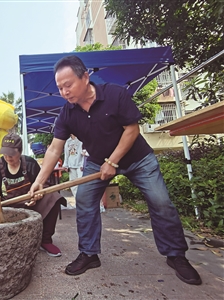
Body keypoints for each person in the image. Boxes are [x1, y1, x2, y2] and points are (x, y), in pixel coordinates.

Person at [29, 55, 201, 285]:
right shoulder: (67, 113)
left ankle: (176, 255)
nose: (64, 92)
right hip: (97, 161)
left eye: (68, 85)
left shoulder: (115, 94)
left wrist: (113, 162)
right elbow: (53, 150)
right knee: (85, 201)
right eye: (60, 88)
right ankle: (89, 254)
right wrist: (40, 181)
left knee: (160, 202)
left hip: (138, 159)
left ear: (85, 77)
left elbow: (132, 129)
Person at [0, 133, 67, 257]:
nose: (8, 157)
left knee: (54, 197)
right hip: (7, 207)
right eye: (5, 153)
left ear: (20, 152)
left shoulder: (30, 163)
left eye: (12, 153)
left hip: (30, 204)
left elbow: (44, 185)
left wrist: (38, 195)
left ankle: (46, 240)